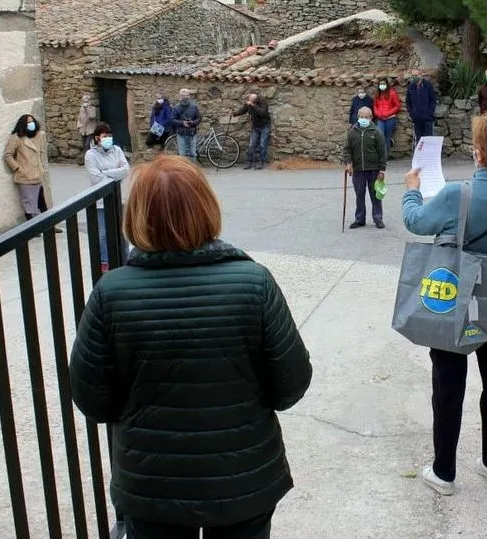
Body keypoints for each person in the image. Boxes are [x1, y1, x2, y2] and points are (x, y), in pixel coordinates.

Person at [70, 155, 312, 539]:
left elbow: (92, 398)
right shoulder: (254, 284)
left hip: (151, 483)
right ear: (206, 207)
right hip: (242, 479)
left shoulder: (111, 293)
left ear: (137, 215)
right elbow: (291, 385)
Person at [402, 111, 487, 497]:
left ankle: (444, 472)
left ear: (478, 153)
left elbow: (415, 221)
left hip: (457, 305)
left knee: (449, 388)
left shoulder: (454, 194)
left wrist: (412, 188)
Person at [84, 123, 129, 273]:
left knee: (122, 231)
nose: (108, 139)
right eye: (105, 136)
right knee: (103, 234)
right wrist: (115, 173)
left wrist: (106, 172)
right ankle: (104, 262)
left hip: (118, 198)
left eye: (110, 136)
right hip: (101, 202)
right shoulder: (91, 155)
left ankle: (125, 258)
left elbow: (125, 169)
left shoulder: (117, 150)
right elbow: (96, 178)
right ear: (97, 138)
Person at [343, 107, 387, 230]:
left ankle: (378, 218)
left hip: (374, 169)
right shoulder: (352, 132)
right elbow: (347, 150)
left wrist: (382, 170)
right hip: (358, 169)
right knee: (359, 195)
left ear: (371, 118)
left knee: (375, 195)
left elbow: (382, 152)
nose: (364, 119)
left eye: (366, 117)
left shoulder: (376, 132)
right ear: (358, 117)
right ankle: (360, 219)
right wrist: (348, 163)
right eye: (361, 117)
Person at [4, 114, 48, 224]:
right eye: (28, 122)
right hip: (25, 176)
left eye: (32, 121)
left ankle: (49, 224)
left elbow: (41, 152)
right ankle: (31, 227)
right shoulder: (16, 138)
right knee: (29, 203)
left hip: (37, 174)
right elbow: (8, 155)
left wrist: (42, 166)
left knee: (41, 202)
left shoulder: (38, 136)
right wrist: (18, 168)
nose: (31, 124)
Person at [233, 93, 272, 170]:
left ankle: (261, 162)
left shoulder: (263, 102)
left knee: (262, 144)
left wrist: (253, 105)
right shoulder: (250, 103)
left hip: (264, 126)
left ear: (255, 100)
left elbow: (262, 113)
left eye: (251, 100)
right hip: (255, 126)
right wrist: (235, 113)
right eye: (249, 100)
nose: (249, 101)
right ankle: (249, 162)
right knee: (251, 145)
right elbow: (243, 110)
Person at [406, 69, 437, 144]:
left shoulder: (428, 86)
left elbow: (433, 100)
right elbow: (408, 102)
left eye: (416, 75)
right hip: (416, 119)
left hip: (427, 118)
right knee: (419, 142)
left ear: (421, 75)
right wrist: (412, 113)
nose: (414, 77)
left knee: (428, 141)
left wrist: (429, 113)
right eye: (412, 76)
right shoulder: (411, 87)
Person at [373, 78, 401, 159]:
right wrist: (377, 113)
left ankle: (385, 157)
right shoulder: (377, 94)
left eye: (383, 84)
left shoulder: (392, 93)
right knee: (380, 136)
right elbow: (375, 106)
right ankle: (380, 156)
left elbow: (397, 106)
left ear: (387, 84)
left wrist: (388, 113)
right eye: (380, 84)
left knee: (387, 138)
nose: (382, 86)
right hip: (380, 119)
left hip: (390, 119)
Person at [172, 88, 202, 161]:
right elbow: (172, 120)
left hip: (192, 133)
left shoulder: (194, 107)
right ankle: (183, 171)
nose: (185, 97)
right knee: (182, 154)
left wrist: (192, 122)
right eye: (183, 95)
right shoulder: (176, 108)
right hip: (181, 133)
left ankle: (193, 170)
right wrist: (182, 123)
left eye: (186, 95)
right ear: (180, 96)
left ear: (189, 96)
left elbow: (199, 118)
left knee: (193, 154)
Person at [76, 94, 97, 166]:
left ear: (90, 101)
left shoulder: (92, 108)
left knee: (88, 145)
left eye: (87, 101)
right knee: (84, 145)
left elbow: (92, 116)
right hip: (83, 130)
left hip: (90, 130)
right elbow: (79, 118)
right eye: (84, 101)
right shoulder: (81, 109)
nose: (85, 103)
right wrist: (78, 126)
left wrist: (87, 108)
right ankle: (87, 160)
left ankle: (82, 159)